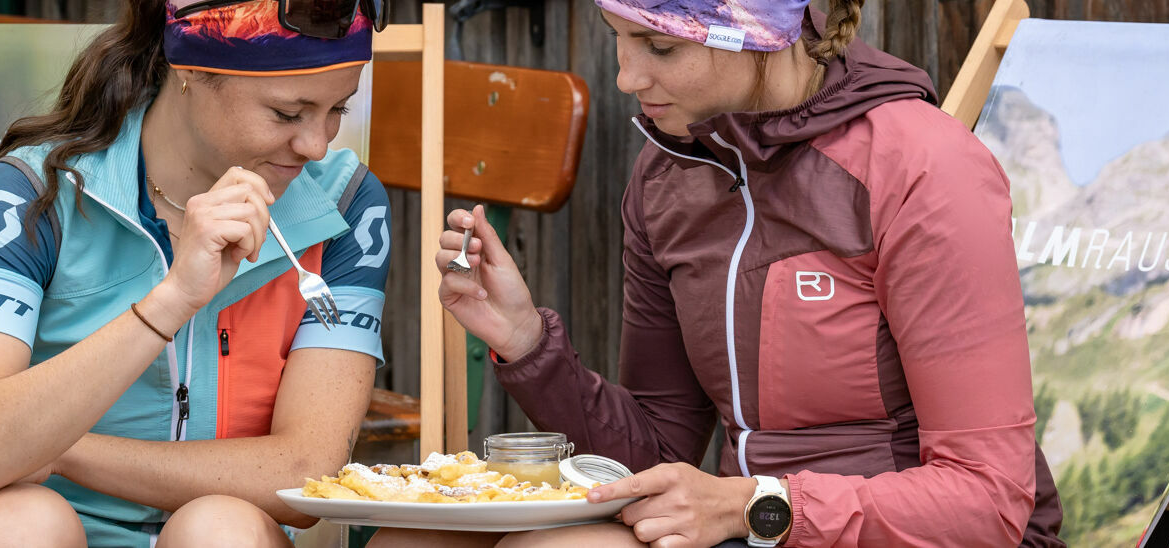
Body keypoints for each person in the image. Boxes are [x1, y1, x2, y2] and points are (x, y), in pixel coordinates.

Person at [380, 0, 1065, 546]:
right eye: (618, 36)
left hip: (899, 532)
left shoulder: (922, 166)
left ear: (757, 31)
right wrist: (528, 343)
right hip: (751, 526)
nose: (626, 77)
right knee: (413, 541)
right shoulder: (669, 173)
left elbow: (990, 501)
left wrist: (760, 506)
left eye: (661, 47)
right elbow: (655, 451)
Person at [0, 0, 393, 545]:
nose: (317, 145)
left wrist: (53, 446)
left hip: (227, 529)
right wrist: (173, 299)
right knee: (17, 523)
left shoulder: (345, 202)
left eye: (338, 111)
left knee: (220, 528)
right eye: (286, 113)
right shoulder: (32, 191)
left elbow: (306, 471)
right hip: (42, 526)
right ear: (189, 69)